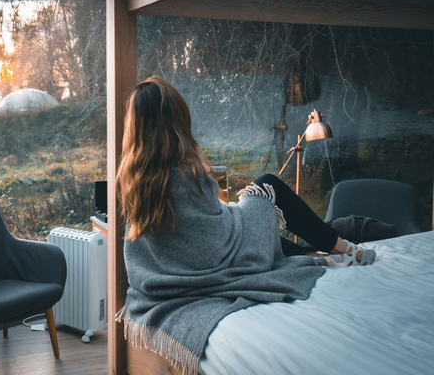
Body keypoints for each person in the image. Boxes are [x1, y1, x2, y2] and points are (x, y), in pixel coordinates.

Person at [114, 76, 376, 375]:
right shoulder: (189, 169)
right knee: (267, 185)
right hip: (218, 256)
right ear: (176, 119)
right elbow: (211, 228)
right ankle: (344, 248)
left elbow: (180, 232)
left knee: (252, 218)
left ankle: (318, 252)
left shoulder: (132, 177)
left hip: (181, 267)